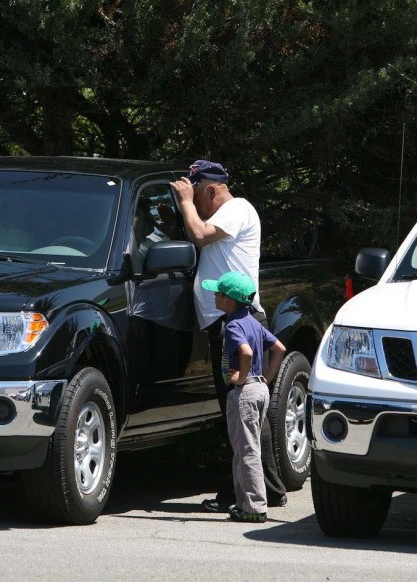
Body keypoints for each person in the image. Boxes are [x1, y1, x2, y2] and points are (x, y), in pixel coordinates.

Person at [169, 160, 289, 512]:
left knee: (240, 412)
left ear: (210, 190)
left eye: (196, 195)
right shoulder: (228, 212)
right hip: (228, 323)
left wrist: (186, 204)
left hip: (237, 321)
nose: (192, 204)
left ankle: (248, 494)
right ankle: (268, 488)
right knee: (242, 411)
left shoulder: (237, 208)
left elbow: (200, 235)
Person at [201, 271, 286, 523]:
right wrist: (265, 379)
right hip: (259, 389)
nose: (215, 296)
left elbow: (246, 353)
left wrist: (241, 377)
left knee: (247, 450)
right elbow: (279, 348)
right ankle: (242, 504)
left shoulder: (233, 325)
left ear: (229, 301)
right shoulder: (252, 321)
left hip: (245, 392)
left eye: (218, 293)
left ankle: (255, 508)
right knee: (245, 449)